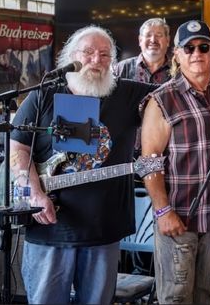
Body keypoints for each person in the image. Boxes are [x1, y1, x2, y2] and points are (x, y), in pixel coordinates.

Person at [9, 25, 156, 304]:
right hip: (50, 228)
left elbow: (175, 95)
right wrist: (34, 193)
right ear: (72, 56)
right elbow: (18, 146)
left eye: (104, 54)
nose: (96, 60)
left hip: (104, 229)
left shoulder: (127, 94)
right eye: (88, 52)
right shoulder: (43, 95)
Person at [140, 20, 210, 304]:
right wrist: (163, 211)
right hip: (179, 216)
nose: (197, 53)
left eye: (203, 47)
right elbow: (149, 161)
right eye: (189, 48)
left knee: (208, 295)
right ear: (177, 54)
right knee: (176, 297)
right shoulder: (162, 99)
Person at [115, 17, 172, 84]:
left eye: (158, 35)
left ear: (167, 41)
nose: (153, 40)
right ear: (140, 40)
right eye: (148, 35)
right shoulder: (121, 68)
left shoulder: (178, 70)